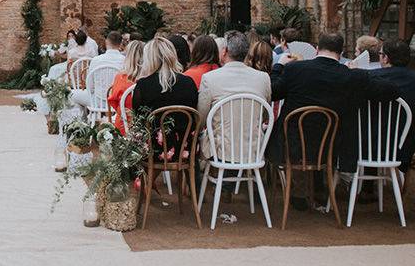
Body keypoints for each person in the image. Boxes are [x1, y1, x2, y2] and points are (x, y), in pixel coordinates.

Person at [269, 32, 397, 208]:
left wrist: (279, 67)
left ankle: (301, 193)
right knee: (319, 135)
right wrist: (358, 72)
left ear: (316, 49)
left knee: (302, 133)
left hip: (292, 144)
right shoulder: (350, 76)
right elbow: (391, 90)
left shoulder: (294, 69)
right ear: (341, 52)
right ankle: (320, 192)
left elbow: (273, 92)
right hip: (332, 145)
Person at [197, 31, 272, 160]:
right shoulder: (263, 78)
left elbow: (200, 118)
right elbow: (265, 114)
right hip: (252, 150)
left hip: (221, 151)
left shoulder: (210, 78)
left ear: (225, 51)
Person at [369, 39, 415, 169]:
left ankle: (367, 185)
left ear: (386, 58)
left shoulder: (371, 77)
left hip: (367, 146)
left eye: (380, 54)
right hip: (402, 148)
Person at [131, 37, 198, 155]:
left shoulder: (143, 85)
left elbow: (138, 118)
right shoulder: (189, 82)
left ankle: (142, 173)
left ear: (149, 59)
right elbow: (194, 113)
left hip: (154, 150)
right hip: (184, 148)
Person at [69, 31, 125, 108]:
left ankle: (82, 118)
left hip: (97, 101)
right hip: (118, 102)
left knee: (70, 94)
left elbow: (89, 86)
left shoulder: (96, 60)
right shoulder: (125, 61)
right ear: (120, 44)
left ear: (106, 42)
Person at [108, 40, 144, 135]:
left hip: (124, 126)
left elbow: (113, 101)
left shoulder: (120, 78)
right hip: (145, 127)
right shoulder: (149, 80)